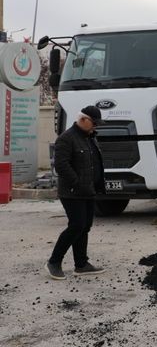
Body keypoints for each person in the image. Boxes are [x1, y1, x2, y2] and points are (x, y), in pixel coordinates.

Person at [45, 106, 107, 280]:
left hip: (88, 190)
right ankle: (54, 262)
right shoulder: (66, 138)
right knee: (76, 225)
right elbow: (61, 166)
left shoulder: (89, 138)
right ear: (83, 120)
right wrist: (77, 183)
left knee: (85, 226)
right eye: (94, 123)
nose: (96, 127)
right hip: (72, 192)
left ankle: (81, 264)